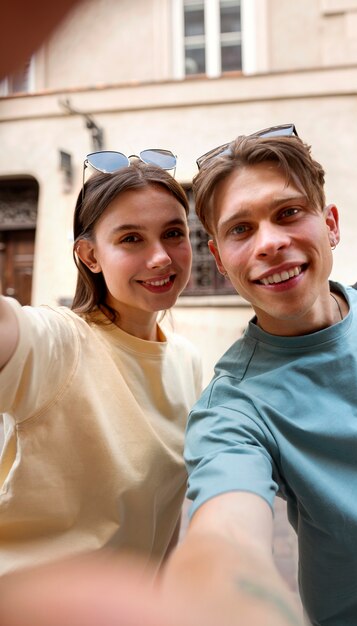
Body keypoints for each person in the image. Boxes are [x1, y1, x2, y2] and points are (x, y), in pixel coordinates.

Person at [160, 125, 357, 626]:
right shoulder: (233, 406)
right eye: (240, 229)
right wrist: (224, 587)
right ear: (219, 258)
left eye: (289, 213)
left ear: (332, 225)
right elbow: (227, 531)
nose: (271, 243)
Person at [0, 154, 202, 576]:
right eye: (131, 239)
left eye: (173, 233)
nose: (161, 257)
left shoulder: (186, 359)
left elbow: (164, 516)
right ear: (90, 255)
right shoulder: (57, 343)